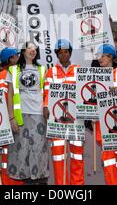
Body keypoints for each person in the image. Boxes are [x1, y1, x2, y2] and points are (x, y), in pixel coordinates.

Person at [6, 41, 49, 184]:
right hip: (21, 115)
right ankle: (26, 182)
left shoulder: (42, 69)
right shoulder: (13, 70)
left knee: (38, 149)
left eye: (35, 48)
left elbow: (47, 93)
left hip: (38, 115)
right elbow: (10, 94)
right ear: (23, 51)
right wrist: (11, 118)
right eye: (29, 48)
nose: (33, 50)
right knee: (21, 150)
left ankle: (38, 179)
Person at [43, 39, 84, 185]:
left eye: (66, 52)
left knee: (77, 155)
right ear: (57, 55)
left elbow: (84, 93)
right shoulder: (51, 71)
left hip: (76, 119)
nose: (63, 55)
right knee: (58, 156)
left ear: (70, 53)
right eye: (60, 53)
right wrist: (46, 106)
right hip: (56, 119)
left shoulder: (79, 69)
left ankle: (77, 185)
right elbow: (46, 92)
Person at [94, 44, 117, 185]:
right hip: (102, 125)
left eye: (101, 56)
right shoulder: (95, 76)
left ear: (110, 57)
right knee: (108, 160)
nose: (99, 59)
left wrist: (114, 91)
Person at [0, 47, 23, 185]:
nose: (19, 58)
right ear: (10, 59)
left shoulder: (13, 74)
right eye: (17, 56)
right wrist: (11, 119)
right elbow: (3, 98)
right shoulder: (4, 75)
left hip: (14, 122)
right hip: (9, 124)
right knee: (8, 158)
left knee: (18, 157)